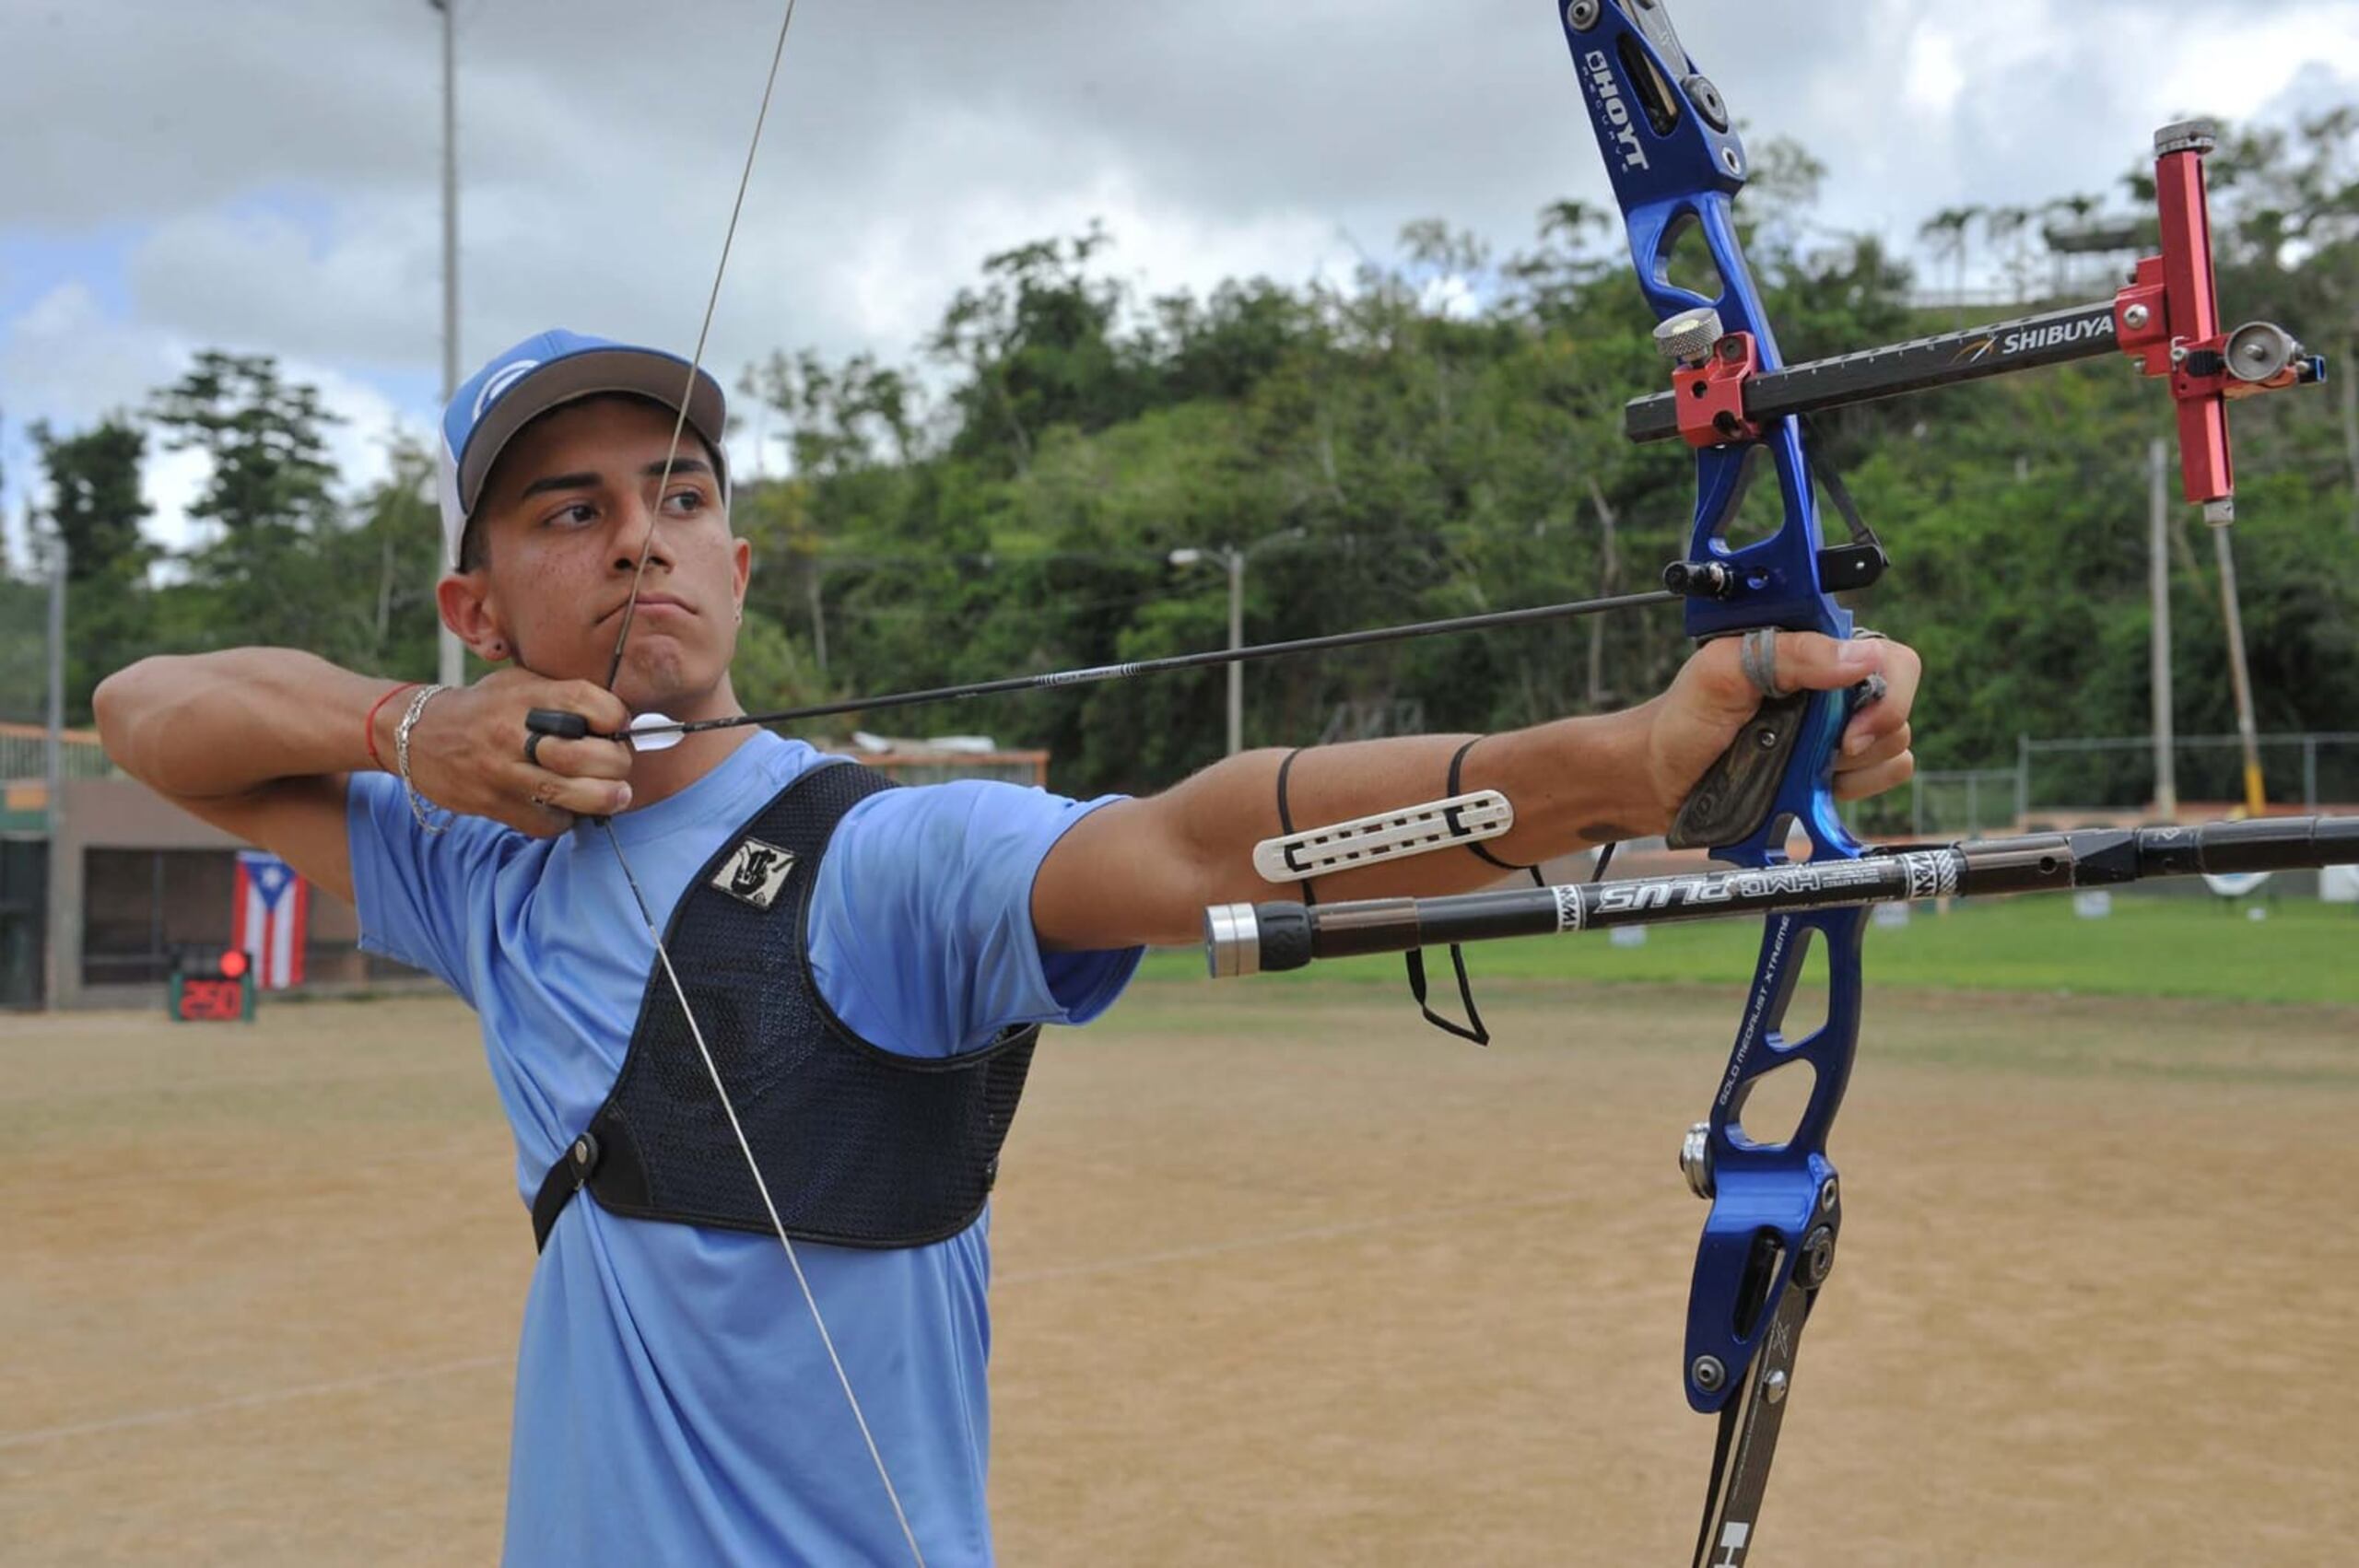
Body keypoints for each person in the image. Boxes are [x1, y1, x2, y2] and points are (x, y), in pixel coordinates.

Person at [93, 328, 1921, 1565]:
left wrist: (1619, 768)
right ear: (478, 604)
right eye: (570, 511)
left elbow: (1201, 842)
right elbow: (144, 706)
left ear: (737, 563)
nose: (639, 540)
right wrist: (406, 728)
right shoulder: (481, 858)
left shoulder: (884, 859)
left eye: (678, 497)